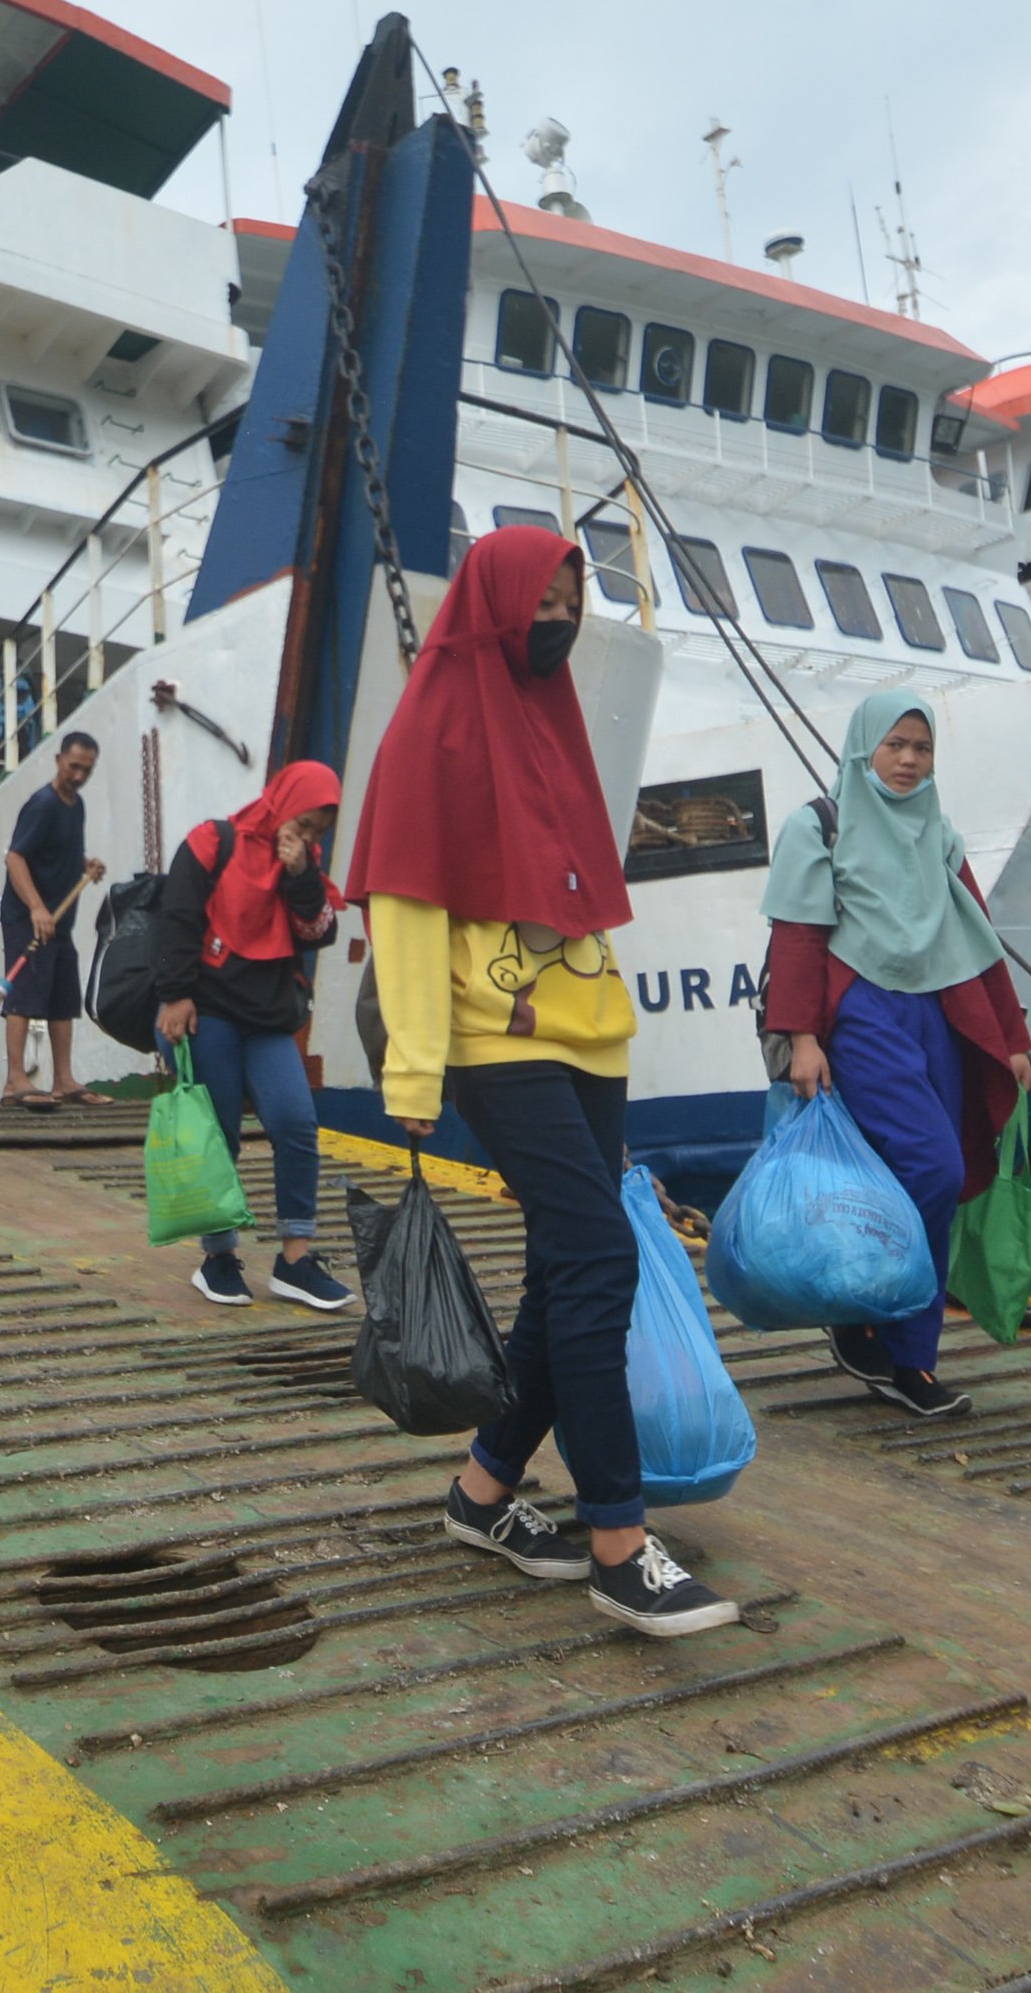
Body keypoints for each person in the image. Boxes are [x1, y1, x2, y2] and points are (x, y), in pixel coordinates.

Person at [354, 524, 738, 1639]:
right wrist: (413, 1065)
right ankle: (618, 1540)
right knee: (601, 1256)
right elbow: (407, 904)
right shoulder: (431, 725)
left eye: (573, 600)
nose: (559, 618)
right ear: (496, 600)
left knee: (562, 1273)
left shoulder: (553, 720)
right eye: (543, 598)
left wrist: (618, 1032)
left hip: (589, 1035)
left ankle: (481, 1495)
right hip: (492, 1039)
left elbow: (574, 897)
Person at [761, 691, 1031, 1419]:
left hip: (937, 1011)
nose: (910, 760)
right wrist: (805, 1039)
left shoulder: (937, 833)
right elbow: (798, 935)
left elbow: (976, 934)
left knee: (925, 1175)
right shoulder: (819, 826)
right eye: (895, 745)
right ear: (862, 749)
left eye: (922, 747)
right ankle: (867, 1327)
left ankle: (906, 1358)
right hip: (862, 1010)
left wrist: (1010, 1039)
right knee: (932, 1166)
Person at [153, 761, 355, 1312]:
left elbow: (320, 932)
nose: (307, 836)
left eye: (318, 831)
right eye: (304, 822)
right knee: (219, 1131)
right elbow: (177, 916)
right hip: (206, 1009)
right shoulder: (212, 841)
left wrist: (300, 876)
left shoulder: (303, 866)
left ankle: (295, 1260)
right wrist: (175, 995)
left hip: (267, 1018)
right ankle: (218, 1257)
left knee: (295, 1122)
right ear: (281, 801)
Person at [0, 731, 106, 1104]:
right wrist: (36, 908)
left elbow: (57, 851)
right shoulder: (42, 804)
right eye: (74, 766)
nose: (78, 776)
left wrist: (84, 864)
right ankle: (15, 1080)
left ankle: (63, 1080)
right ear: (59, 760)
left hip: (59, 921)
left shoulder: (75, 806)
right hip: (27, 916)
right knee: (25, 992)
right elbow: (15, 857)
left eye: (86, 770)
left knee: (63, 994)